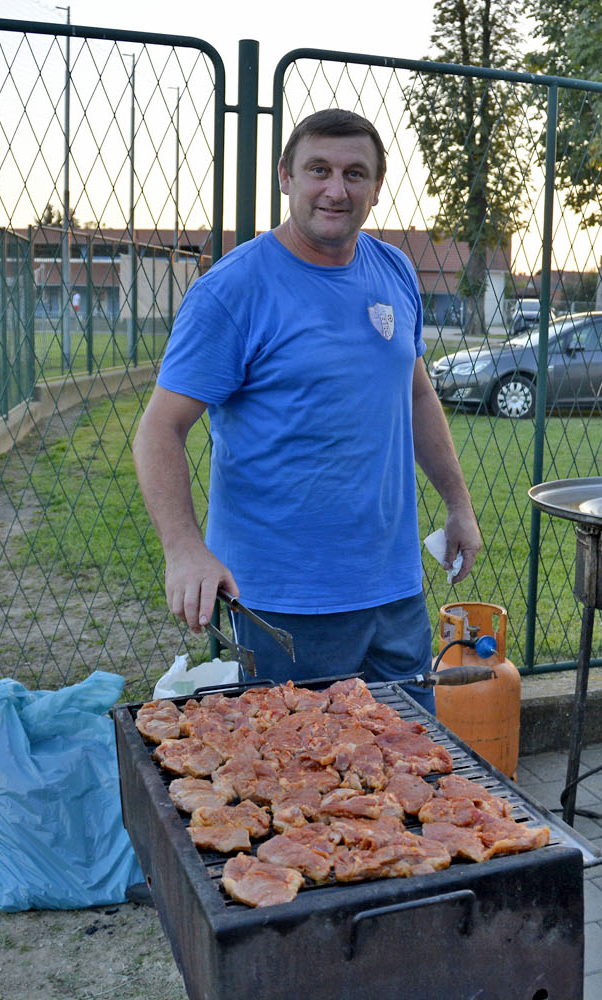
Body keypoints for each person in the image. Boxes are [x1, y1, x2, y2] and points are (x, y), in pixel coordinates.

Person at [132, 108, 483, 711]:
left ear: (376, 186)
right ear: (285, 178)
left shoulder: (394, 269)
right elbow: (160, 429)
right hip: (283, 605)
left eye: (355, 173)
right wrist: (185, 549)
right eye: (318, 169)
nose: (335, 189)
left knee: (406, 766)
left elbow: (417, 394)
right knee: (297, 786)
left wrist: (459, 506)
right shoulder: (233, 290)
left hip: (394, 592)